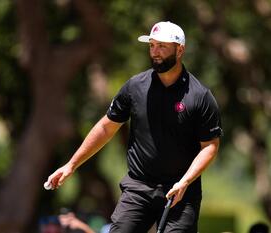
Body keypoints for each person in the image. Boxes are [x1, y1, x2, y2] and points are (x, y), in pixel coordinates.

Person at [45, 21, 223, 233]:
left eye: (162, 46)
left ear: (180, 49)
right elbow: (106, 127)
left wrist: (185, 181)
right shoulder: (135, 87)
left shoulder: (199, 96)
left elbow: (210, 146)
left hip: (181, 192)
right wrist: (71, 165)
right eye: (152, 45)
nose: (155, 52)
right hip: (138, 188)